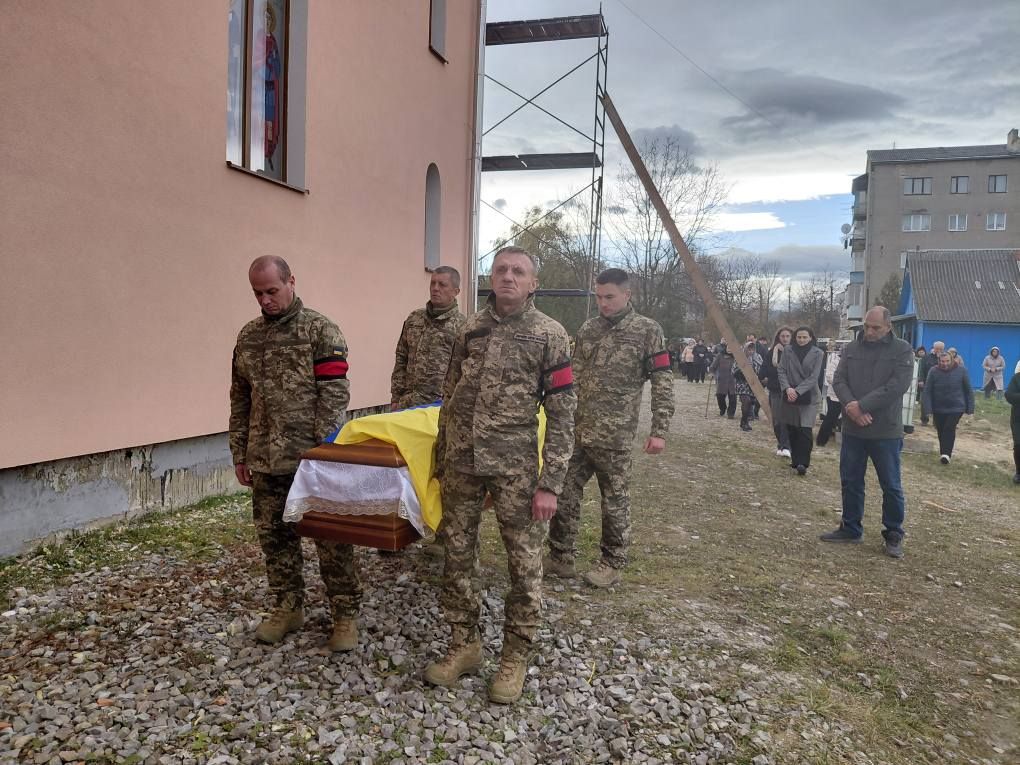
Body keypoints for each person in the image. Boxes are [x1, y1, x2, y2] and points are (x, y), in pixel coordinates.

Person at [424, 246, 576, 705]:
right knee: (457, 557)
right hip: (462, 464)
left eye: (519, 271)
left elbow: (563, 414)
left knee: (523, 565)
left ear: (533, 283)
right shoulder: (470, 327)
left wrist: (550, 483)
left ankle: (515, 655)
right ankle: (464, 644)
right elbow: (450, 396)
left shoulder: (551, 334)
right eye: (501, 269)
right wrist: (440, 458)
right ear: (490, 277)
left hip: (515, 470)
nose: (508, 276)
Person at [229, 256, 361, 649]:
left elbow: (334, 396)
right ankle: (288, 606)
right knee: (274, 538)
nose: (265, 300)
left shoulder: (320, 330)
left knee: (331, 539)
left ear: (291, 282)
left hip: (311, 459)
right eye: (257, 293)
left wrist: (323, 451)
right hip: (266, 458)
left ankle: (344, 614)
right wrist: (240, 451)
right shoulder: (248, 337)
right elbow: (240, 397)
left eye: (271, 291)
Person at [546, 268, 674, 588]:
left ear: (627, 295)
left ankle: (612, 562)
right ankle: (560, 556)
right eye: (599, 297)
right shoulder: (589, 329)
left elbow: (662, 381)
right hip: (578, 430)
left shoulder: (648, 330)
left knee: (614, 500)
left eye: (610, 297)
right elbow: (572, 375)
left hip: (615, 436)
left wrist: (659, 430)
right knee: (563, 492)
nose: (603, 303)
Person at [822, 306, 914, 558]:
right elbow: (839, 380)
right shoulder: (852, 348)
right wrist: (852, 408)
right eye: (866, 326)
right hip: (853, 429)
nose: (870, 332)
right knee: (851, 480)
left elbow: (897, 386)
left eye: (876, 328)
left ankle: (893, 533)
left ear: (889, 327)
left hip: (885, 430)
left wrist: (861, 406)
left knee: (891, 485)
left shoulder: (902, 350)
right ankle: (851, 528)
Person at [390, 266, 467, 410]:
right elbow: (401, 357)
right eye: (433, 283)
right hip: (407, 403)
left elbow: (465, 372)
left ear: (456, 292)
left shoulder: (463, 326)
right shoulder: (414, 319)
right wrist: (396, 397)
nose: (435, 288)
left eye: (442, 284)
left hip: (438, 408)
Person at [778, 326, 825, 475]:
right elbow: (781, 370)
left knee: (805, 429)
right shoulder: (788, 350)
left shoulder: (818, 353)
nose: (801, 340)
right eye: (799, 337)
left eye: (805, 337)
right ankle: (795, 460)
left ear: (811, 338)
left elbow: (814, 377)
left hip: (809, 395)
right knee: (792, 428)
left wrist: (797, 391)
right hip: (790, 393)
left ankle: (803, 463)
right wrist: (787, 388)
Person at [922, 351, 974, 464]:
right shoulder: (933, 371)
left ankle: (946, 454)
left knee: (949, 428)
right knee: (941, 429)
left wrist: (970, 409)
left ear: (952, 360)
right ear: (939, 361)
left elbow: (968, 390)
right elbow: (927, 391)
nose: (945, 364)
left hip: (957, 406)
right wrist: (927, 409)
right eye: (942, 361)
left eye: (947, 361)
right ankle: (944, 453)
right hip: (938, 407)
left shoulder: (961, 371)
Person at [759, 327, 793, 458]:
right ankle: (781, 444)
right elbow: (763, 371)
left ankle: (787, 446)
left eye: (787, 336)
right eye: (782, 336)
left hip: (790, 390)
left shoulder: (795, 352)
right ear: (778, 337)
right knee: (777, 421)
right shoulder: (771, 352)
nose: (785, 339)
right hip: (775, 390)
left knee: (787, 420)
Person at [816, 344, 843, 446]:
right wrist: (843, 383)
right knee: (831, 417)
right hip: (834, 395)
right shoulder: (835, 361)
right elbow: (829, 377)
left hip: (849, 395)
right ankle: (821, 440)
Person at [735, 341, 762, 432]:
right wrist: (742, 370)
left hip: (753, 384)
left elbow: (761, 369)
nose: (750, 351)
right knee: (746, 401)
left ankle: (744, 420)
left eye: (752, 349)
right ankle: (744, 422)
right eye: (748, 349)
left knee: (750, 402)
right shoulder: (739, 358)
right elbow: (734, 371)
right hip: (742, 383)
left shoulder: (757, 358)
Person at [918, 340, 943, 425]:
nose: (939, 350)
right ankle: (924, 420)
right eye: (937, 348)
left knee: (938, 403)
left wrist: (939, 358)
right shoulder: (927, 357)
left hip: (939, 384)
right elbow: (921, 369)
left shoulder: (944, 358)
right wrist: (921, 380)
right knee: (924, 401)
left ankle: (936, 421)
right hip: (927, 382)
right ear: (934, 348)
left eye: (940, 349)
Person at [709, 345, 738, 418]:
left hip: (733, 380)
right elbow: (713, 366)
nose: (729, 349)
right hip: (722, 379)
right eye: (728, 347)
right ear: (726, 348)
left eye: (731, 348)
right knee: (720, 396)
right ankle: (723, 408)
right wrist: (712, 372)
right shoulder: (720, 355)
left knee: (733, 397)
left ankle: (731, 413)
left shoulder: (737, 357)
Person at [1005, 368, 1020, 484]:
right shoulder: (1017, 378)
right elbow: (1009, 395)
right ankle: (1019, 472)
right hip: (1018, 419)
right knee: (1018, 444)